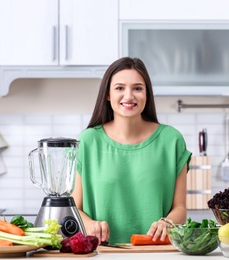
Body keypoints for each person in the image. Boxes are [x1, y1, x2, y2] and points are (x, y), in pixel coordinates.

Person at [72, 57, 192, 244]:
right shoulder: (88, 141)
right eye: (120, 88)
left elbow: (180, 208)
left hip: (157, 253)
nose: (129, 96)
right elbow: (74, 208)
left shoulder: (171, 140)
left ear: (147, 94)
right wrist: (89, 224)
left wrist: (168, 222)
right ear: (108, 94)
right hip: (102, 253)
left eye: (137, 88)